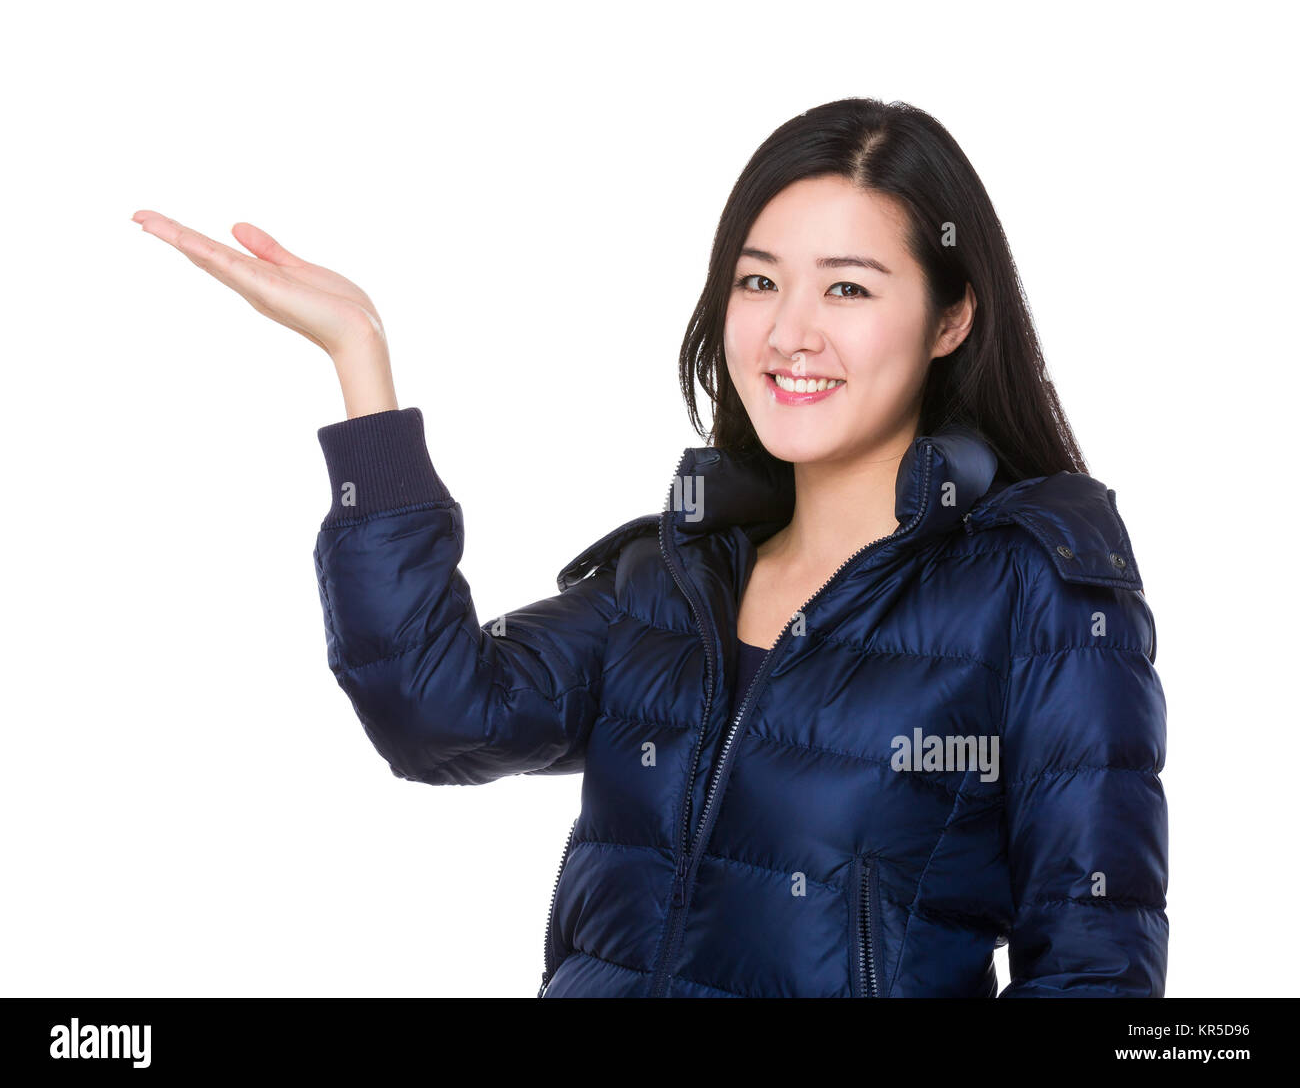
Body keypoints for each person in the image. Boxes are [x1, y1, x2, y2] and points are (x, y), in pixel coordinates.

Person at [133, 96, 1169, 998]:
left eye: (847, 288)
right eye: (758, 282)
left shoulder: (1034, 590)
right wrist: (361, 362)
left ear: (950, 319)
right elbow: (431, 712)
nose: (788, 331)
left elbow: (1094, 963)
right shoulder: (675, 581)